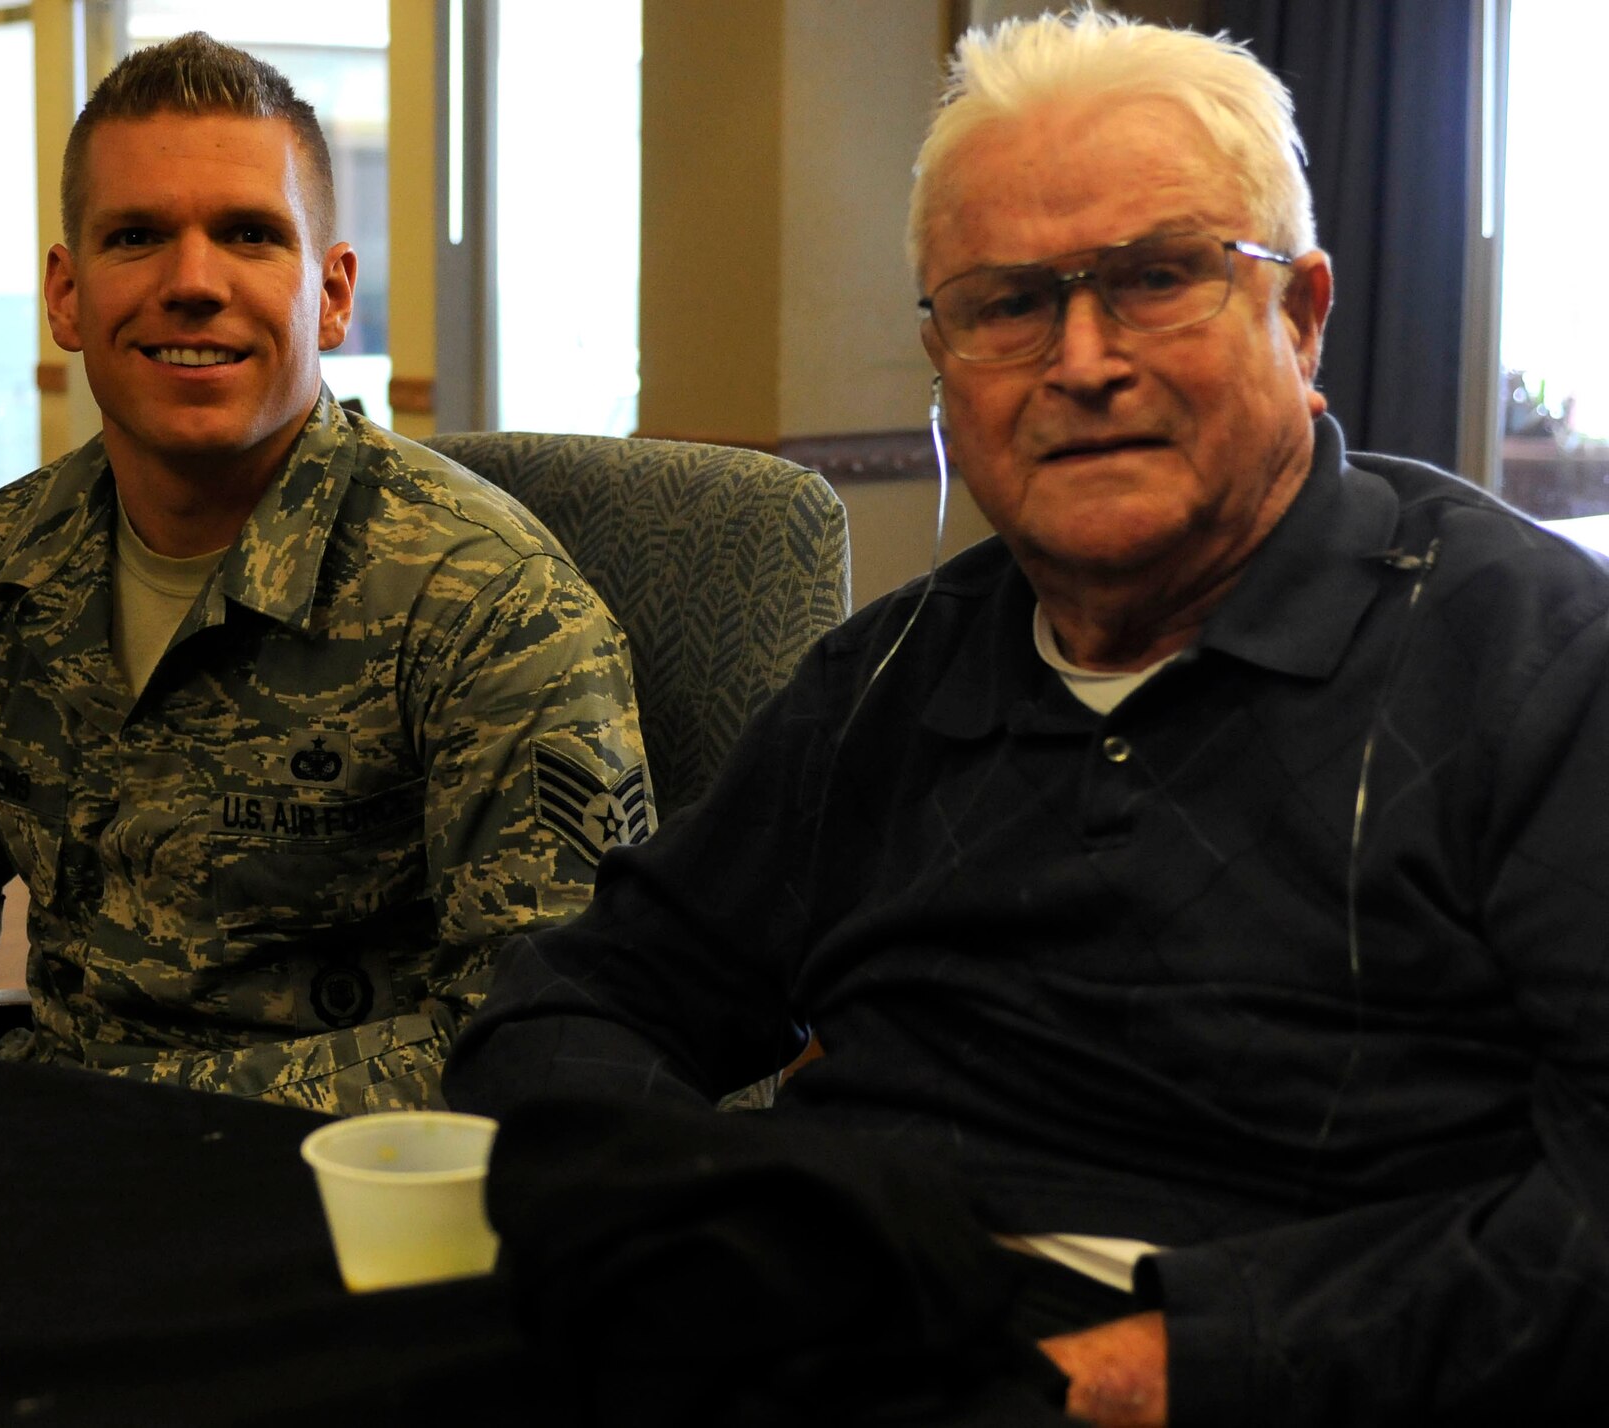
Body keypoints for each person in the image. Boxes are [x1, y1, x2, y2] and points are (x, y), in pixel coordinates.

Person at [446, 11, 1605, 1425]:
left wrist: (1165, 1368)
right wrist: (708, 1227)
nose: (1082, 360)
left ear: (1300, 317)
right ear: (945, 356)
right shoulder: (886, 681)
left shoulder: (1538, 669)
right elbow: (578, 1002)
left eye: (1159, 277)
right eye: (1007, 304)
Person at [0, 33, 649, 1115]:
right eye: (136, 236)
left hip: (345, 1209)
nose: (191, 284)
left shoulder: (483, 600)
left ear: (330, 296)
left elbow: (544, 1027)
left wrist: (113, 1111)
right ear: (64, 292)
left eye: (247, 235)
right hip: (35, 1190)